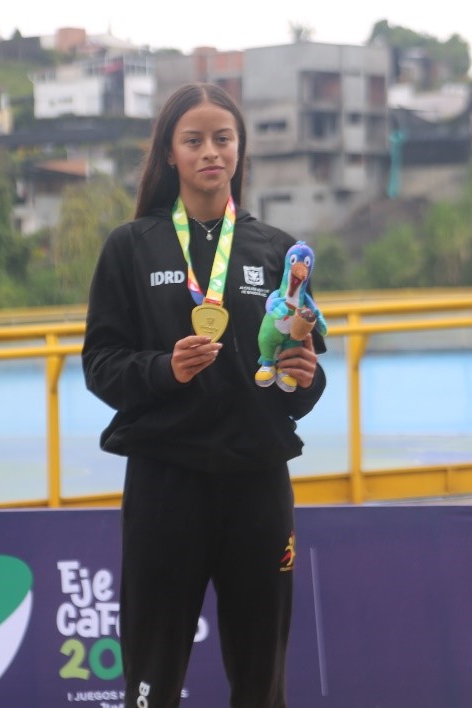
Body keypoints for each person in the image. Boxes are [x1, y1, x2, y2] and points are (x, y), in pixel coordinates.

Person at [81, 82, 327, 708]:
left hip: (257, 483)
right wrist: (167, 369)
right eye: (194, 141)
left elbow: (294, 385)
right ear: (170, 153)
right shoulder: (131, 247)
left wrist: (305, 375)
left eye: (223, 139)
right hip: (168, 484)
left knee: (260, 677)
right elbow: (101, 366)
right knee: (150, 676)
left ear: (240, 150)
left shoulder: (278, 252)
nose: (210, 152)